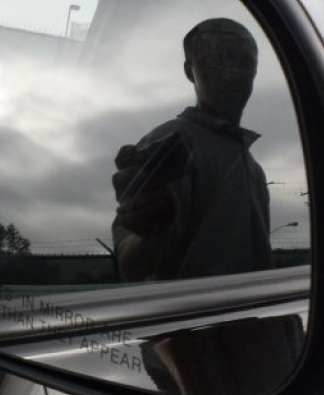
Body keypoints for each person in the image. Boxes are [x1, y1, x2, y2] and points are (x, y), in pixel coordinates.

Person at [111, 17, 274, 282]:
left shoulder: (252, 165)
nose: (233, 73)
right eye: (219, 59)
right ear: (189, 70)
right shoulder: (171, 143)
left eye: (246, 62)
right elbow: (131, 267)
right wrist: (148, 235)